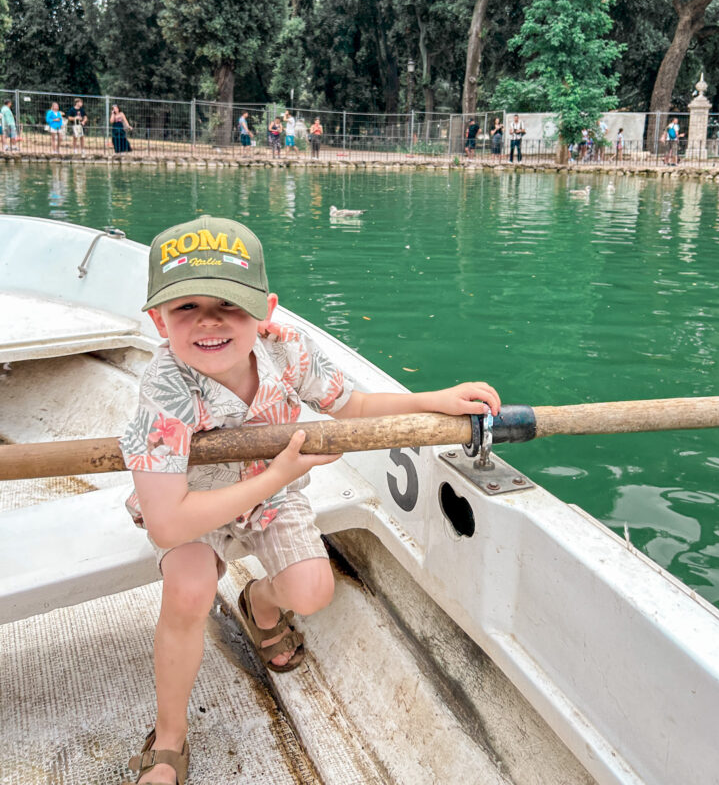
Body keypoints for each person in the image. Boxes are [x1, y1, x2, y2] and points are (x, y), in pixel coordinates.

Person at [118, 214, 500, 785]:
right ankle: (170, 736)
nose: (209, 323)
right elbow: (168, 523)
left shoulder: (287, 350)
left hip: (272, 493)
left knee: (312, 591)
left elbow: (353, 408)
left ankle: (260, 603)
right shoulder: (165, 390)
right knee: (190, 591)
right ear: (158, 320)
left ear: (267, 310)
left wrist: (435, 401)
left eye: (229, 305)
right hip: (192, 504)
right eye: (187, 308)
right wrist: (277, 475)